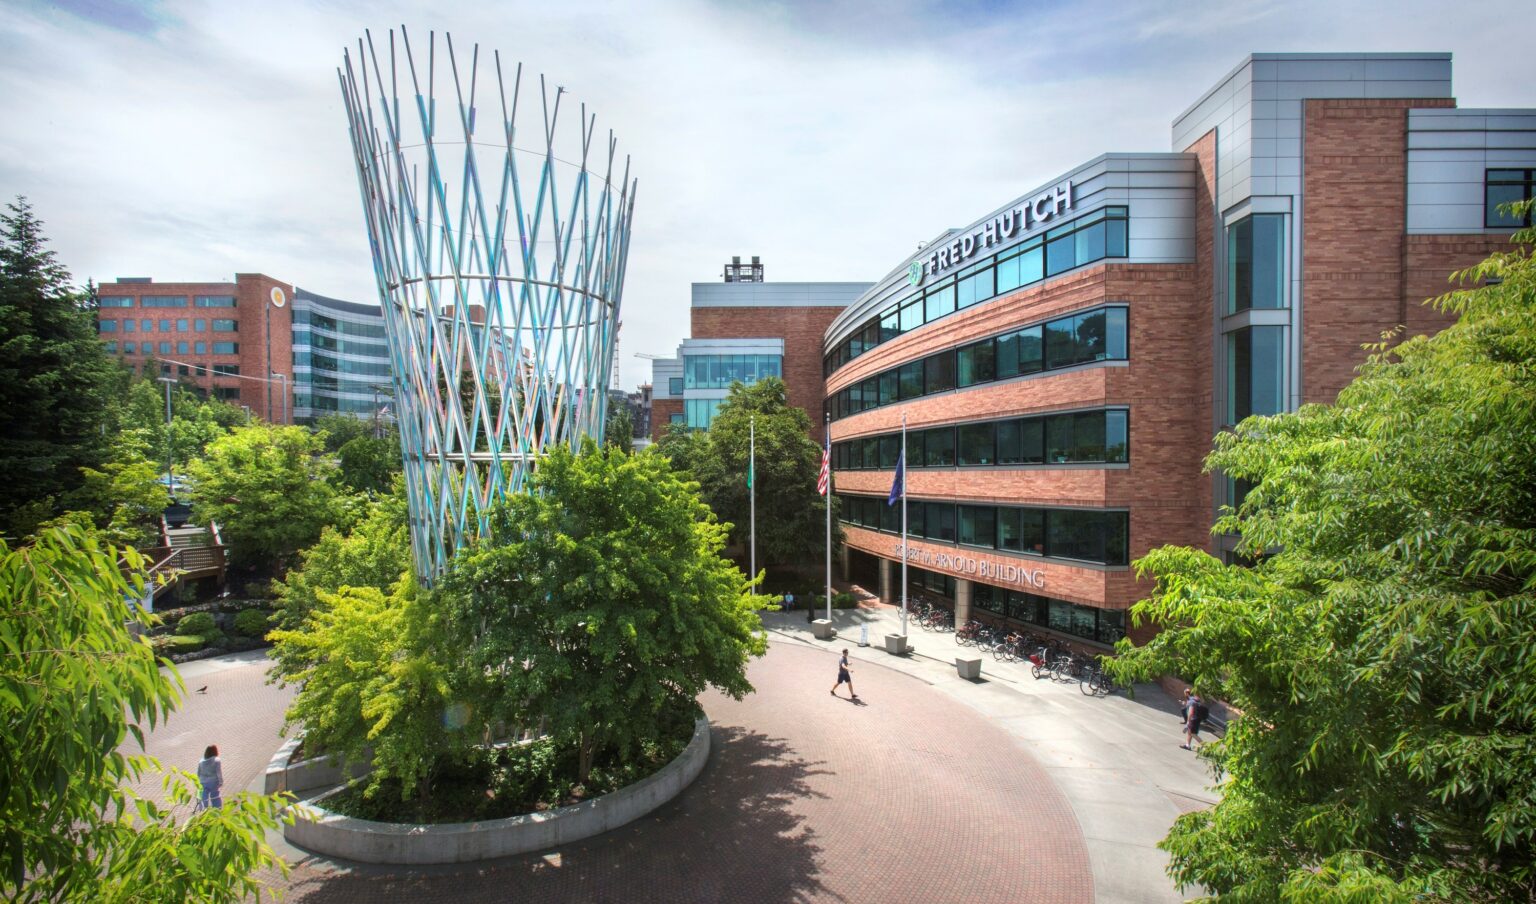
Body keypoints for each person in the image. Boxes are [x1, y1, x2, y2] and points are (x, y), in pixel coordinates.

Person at [196, 744, 224, 811]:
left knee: (204, 796)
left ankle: (203, 809)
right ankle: (217, 810)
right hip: (214, 781)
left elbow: (198, 773)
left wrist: (199, 781)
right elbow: (218, 772)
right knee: (215, 796)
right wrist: (221, 781)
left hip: (203, 781)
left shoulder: (201, 761)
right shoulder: (217, 760)